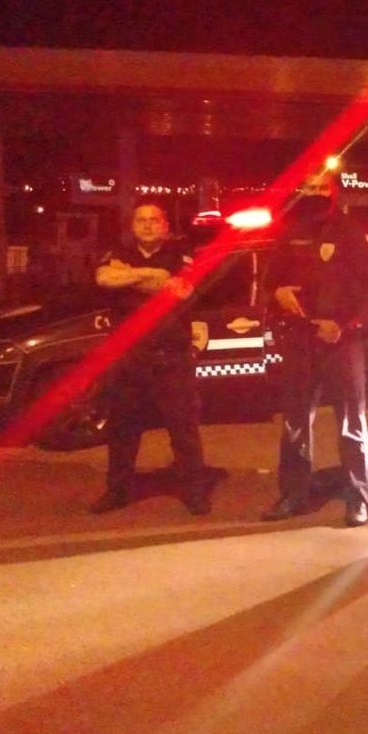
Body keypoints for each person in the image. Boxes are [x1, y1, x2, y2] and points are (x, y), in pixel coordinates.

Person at [261, 172, 368, 525]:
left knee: (351, 423)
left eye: (320, 188)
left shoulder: (352, 232)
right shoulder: (291, 232)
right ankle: (293, 495)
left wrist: (343, 324)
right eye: (308, 188)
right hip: (301, 340)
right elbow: (270, 281)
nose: (313, 193)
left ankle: (358, 498)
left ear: (334, 192)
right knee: (295, 423)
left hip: (340, 341)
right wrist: (278, 293)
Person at [89, 196, 211, 516]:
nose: (147, 225)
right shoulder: (118, 253)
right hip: (129, 357)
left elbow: (181, 290)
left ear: (165, 226)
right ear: (132, 226)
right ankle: (117, 490)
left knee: (183, 430)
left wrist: (130, 276)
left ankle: (194, 491)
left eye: (154, 219)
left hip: (171, 357)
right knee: (122, 429)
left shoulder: (181, 255)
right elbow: (103, 278)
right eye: (141, 220)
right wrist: (153, 274)